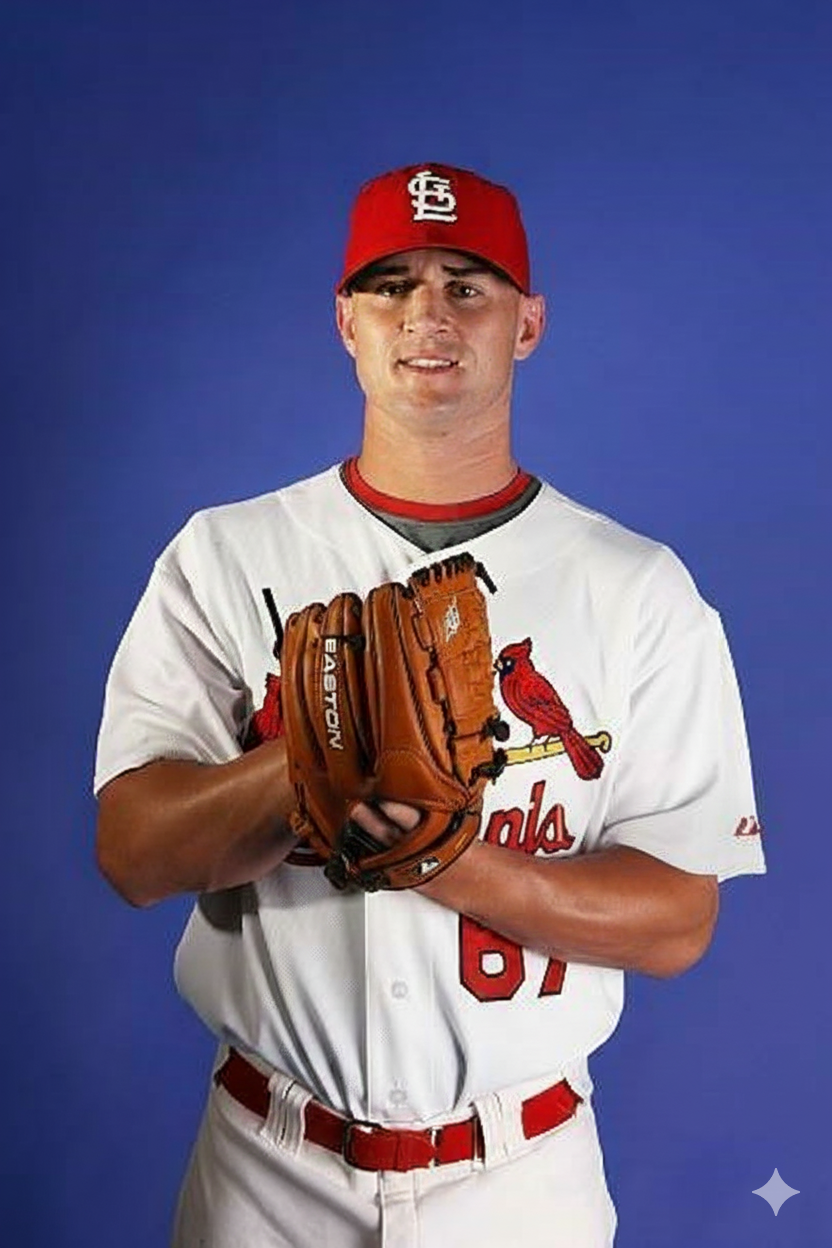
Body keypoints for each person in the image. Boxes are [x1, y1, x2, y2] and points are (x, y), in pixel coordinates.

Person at [94, 162, 766, 1248]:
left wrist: (442, 856)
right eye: (391, 284)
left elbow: (679, 917)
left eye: (466, 286)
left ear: (527, 323)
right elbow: (133, 854)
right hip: (264, 1170)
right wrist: (313, 755)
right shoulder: (225, 554)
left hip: (521, 1180)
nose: (426, 316)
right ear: (344, 321)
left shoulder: (637, 586)